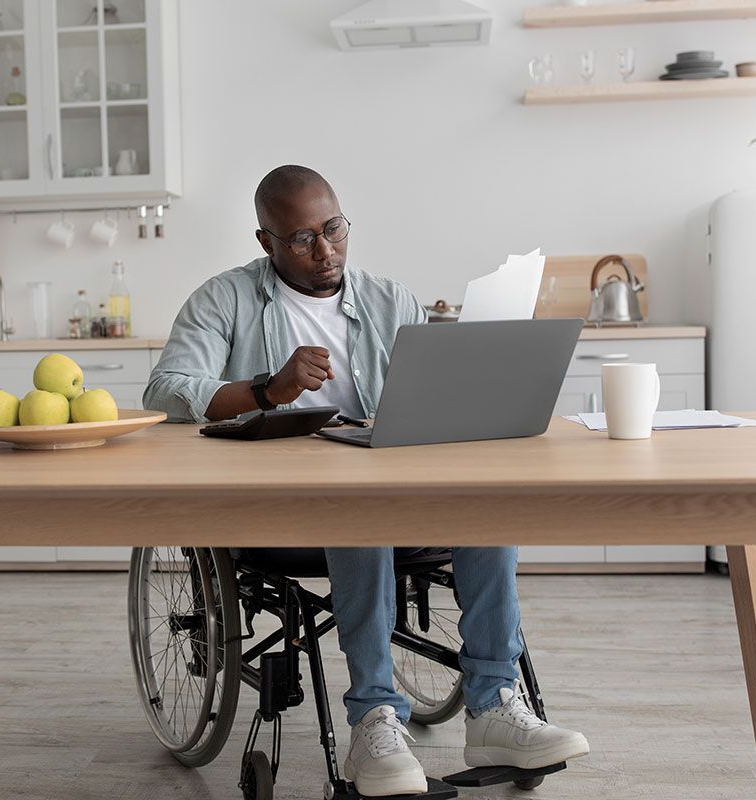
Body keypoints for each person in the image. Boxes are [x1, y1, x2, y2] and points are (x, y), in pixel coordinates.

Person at [143, 165, 589, 797]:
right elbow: (164, 391)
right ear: (266, 242)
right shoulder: (224, 300)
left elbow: (421, 400)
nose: (324, 250)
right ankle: (375, 716)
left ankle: (493, 708)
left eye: (334, 229)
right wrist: (268, 388)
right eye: (301, 239)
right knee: (358, 513)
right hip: (282, 505)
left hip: (388, 486)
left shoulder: (390, 299)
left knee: (484, 508)